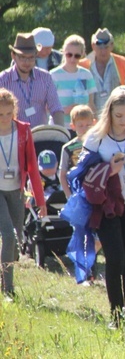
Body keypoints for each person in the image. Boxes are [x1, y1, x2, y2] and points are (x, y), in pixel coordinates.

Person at [82, 86, 125, 328]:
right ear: (109, 113)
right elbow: (82, 173)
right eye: (118, 116)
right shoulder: (95, 137)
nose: (123, 121)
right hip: (107, 206)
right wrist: (108, 169)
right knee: (115, 258)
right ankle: (116, 316)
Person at [0, 88, 46, 300]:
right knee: (8, 236)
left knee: (16, 239)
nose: (5, 118)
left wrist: (40, 199)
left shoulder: (23, 130)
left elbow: (33, 166)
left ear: (15, 111)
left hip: (17, 190)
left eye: (9, 113)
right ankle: (7, 289)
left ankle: (6, 266)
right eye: (0, 114)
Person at [0, 33, 64, 127]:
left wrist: (61, 132)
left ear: (36, 56)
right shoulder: (3, 80)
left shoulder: (45, 77)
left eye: (31, 58)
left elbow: (56, 108)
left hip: (41, 135)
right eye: (22, 57)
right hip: (14, 136)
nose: (27, 62)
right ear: (13, 55)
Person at [79, 28, 125, 116]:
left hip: (117, 118)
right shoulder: (82, 65)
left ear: (112, 45)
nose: (103, 51)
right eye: (99, 47)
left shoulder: (123, 63)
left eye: (106, 47)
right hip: (90, 120)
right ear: (93, 46)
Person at [50, 34, 97, 128]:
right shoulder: (53, 75)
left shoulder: (86, 74)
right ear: (63, 52)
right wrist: (66, 110)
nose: (72, 59)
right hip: (61, 126)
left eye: (77, 56)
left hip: (82, 128)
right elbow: (47, 106)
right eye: (69, 54)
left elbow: (91, 104)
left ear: (82, 54)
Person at [60, 105, 95, 198]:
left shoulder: (99, 143)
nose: (85, 129)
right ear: (73, 126)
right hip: (76, 191)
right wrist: (69, 196)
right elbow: (62, 175)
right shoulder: (67, 148)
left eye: (88, 125)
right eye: (81, 126)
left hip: (96, 190)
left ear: (94, 123)